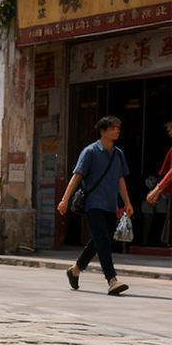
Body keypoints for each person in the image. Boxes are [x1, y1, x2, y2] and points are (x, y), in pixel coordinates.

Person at [57, 115, 134, 296]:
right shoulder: (90, 152)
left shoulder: (118, 154)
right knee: (103, 241)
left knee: (99, 241)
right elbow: (77, 176)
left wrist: (127, 202)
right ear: (103, 131)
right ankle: (112, 280)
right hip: (93, 205)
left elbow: (120, 180)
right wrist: (64, 199)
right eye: (113, 128)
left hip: (111, 206)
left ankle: (75, 269)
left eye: (118, 128)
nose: (117, 131)